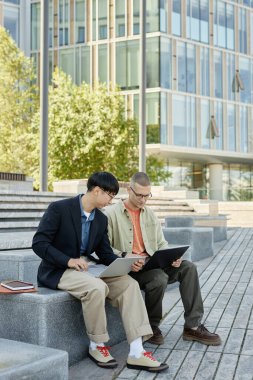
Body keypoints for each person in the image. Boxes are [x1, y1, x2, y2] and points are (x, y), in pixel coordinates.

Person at [32, 172, 168, 372]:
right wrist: (68, 260)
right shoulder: (59, 209)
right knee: (96, 287)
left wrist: (126, 262)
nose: (111, 200)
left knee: (129, 284)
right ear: (97, 190)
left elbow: (104, 253)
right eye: (110, 196)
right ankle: (97, 345)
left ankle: (137, 351)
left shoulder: (101, 219)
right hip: (59, 269)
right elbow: (39, 243)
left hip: (89, 268)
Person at [105, 172, 221, 346]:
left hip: (152, 263)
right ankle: (151, 327)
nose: (143, 200)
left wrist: (172, 257)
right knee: (159, 278)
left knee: (188, 267)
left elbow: (161, 243)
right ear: (129, 190)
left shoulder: (150, 214)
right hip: (129, 269)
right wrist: (125, 256)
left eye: (147, 196)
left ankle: (193, 327)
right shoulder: (110, 214)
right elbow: (105, 248)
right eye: (139, 195)